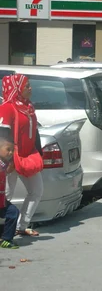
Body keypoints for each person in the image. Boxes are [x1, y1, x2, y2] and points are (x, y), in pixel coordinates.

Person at [0, 74, 44, 237]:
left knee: (37, 190)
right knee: (5, 194)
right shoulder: (7, 107)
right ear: (16, 88)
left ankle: (21, 225)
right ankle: (4, 229)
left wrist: (39, 154)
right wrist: (8, 161)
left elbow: (35, 133)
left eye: (30, 85)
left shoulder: (29, 107)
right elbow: (3, 135)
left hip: (28, 157)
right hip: (10, 159)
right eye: (27, 86)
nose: (30, 88)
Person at [0, 126, 20, 249]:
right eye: (8, 149)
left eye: (12, 150)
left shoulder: (5, 163)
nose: (11, 152)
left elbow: (6, 171)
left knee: (13, 212)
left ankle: (6, 239)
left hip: (2, 200)